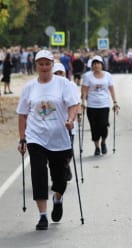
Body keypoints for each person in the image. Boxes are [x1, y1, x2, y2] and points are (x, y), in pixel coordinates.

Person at [16, 50, 79, 231]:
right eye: (40, 64)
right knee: (38, 174)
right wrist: (22, 138)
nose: (44, 67)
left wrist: (70, 119)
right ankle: (42, 215)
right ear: (36, 66)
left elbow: (73, 105)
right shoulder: (29, 87)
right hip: (36, 137)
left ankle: (57, 198)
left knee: (60, 179)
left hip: (59, 137)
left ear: (52, 65)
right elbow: (22, 115)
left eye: (47, 64)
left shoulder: (63, 84)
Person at [81, 55, 119, 156]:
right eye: (94, 64)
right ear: (92, 66)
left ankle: (103, 142)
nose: (96, 65)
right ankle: (97, 147)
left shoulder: (108, 76)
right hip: (91, 106)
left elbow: (111, 89)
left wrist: (115, 102)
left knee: (103, 126)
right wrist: (83, 102)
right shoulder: (87, 76)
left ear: (102, 65)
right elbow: (84, 90)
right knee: (94, 128)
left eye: (98, 63)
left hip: (104, 105)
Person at [53, 62, 82, 181]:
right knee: (56, 153)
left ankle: (65, 166)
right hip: (54, 125)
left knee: (68, 152)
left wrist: (78, 113)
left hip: (69, 124)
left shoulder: (71, 85)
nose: (59, 75)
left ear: (65, 74)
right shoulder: (49, 87)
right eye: (56, 73)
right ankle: (60, 171)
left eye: (61, 73)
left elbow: (76, 102)